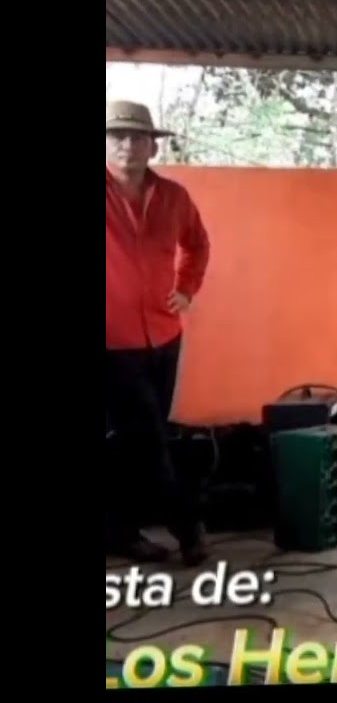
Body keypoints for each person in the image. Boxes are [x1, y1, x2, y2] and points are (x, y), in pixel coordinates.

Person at [106, 100, 211, 567]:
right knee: (147, 437)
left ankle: (120, 532)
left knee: (136, 440)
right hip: (112, 343)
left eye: (137, 137)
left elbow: (198, 244)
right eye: (117, 136)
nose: (127, 145)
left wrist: (186, 288)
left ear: (152, 146)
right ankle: (187, 527)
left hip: (165, 337)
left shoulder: (173, 197)